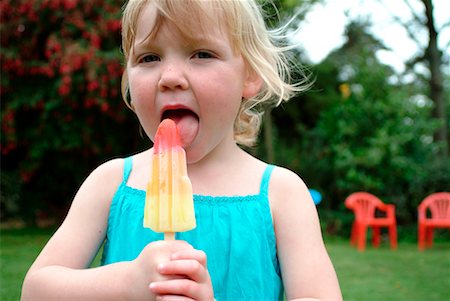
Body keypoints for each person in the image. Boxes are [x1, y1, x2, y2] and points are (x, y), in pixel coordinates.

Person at [21, 0, 342, 300]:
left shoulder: (282, 194)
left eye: (201, 54)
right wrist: (129, 281)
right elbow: (35, 290)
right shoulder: (110, 182)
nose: (170, 78)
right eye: (149, 58)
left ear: (250, 74)